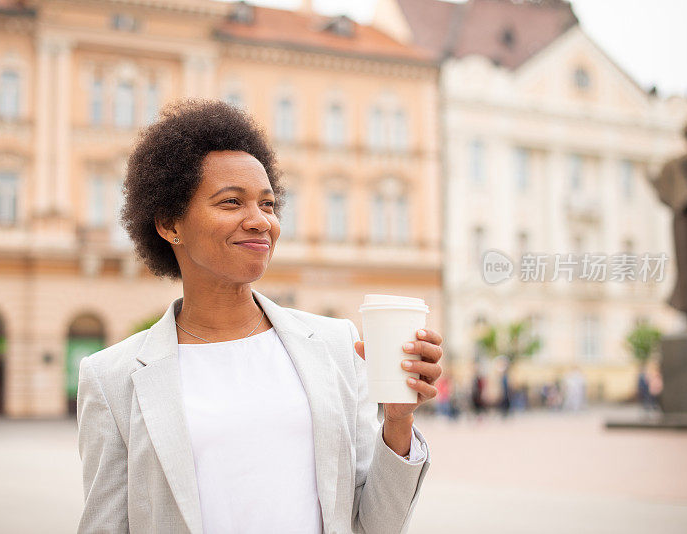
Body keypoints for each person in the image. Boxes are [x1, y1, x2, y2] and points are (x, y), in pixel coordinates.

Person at [75, 99, 442, 534]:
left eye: (267, 205)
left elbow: (374, 526)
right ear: (170, 224)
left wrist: (398, 421)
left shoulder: (336, 346)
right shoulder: (112, 378)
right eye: (231, 203)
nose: (259, 221)